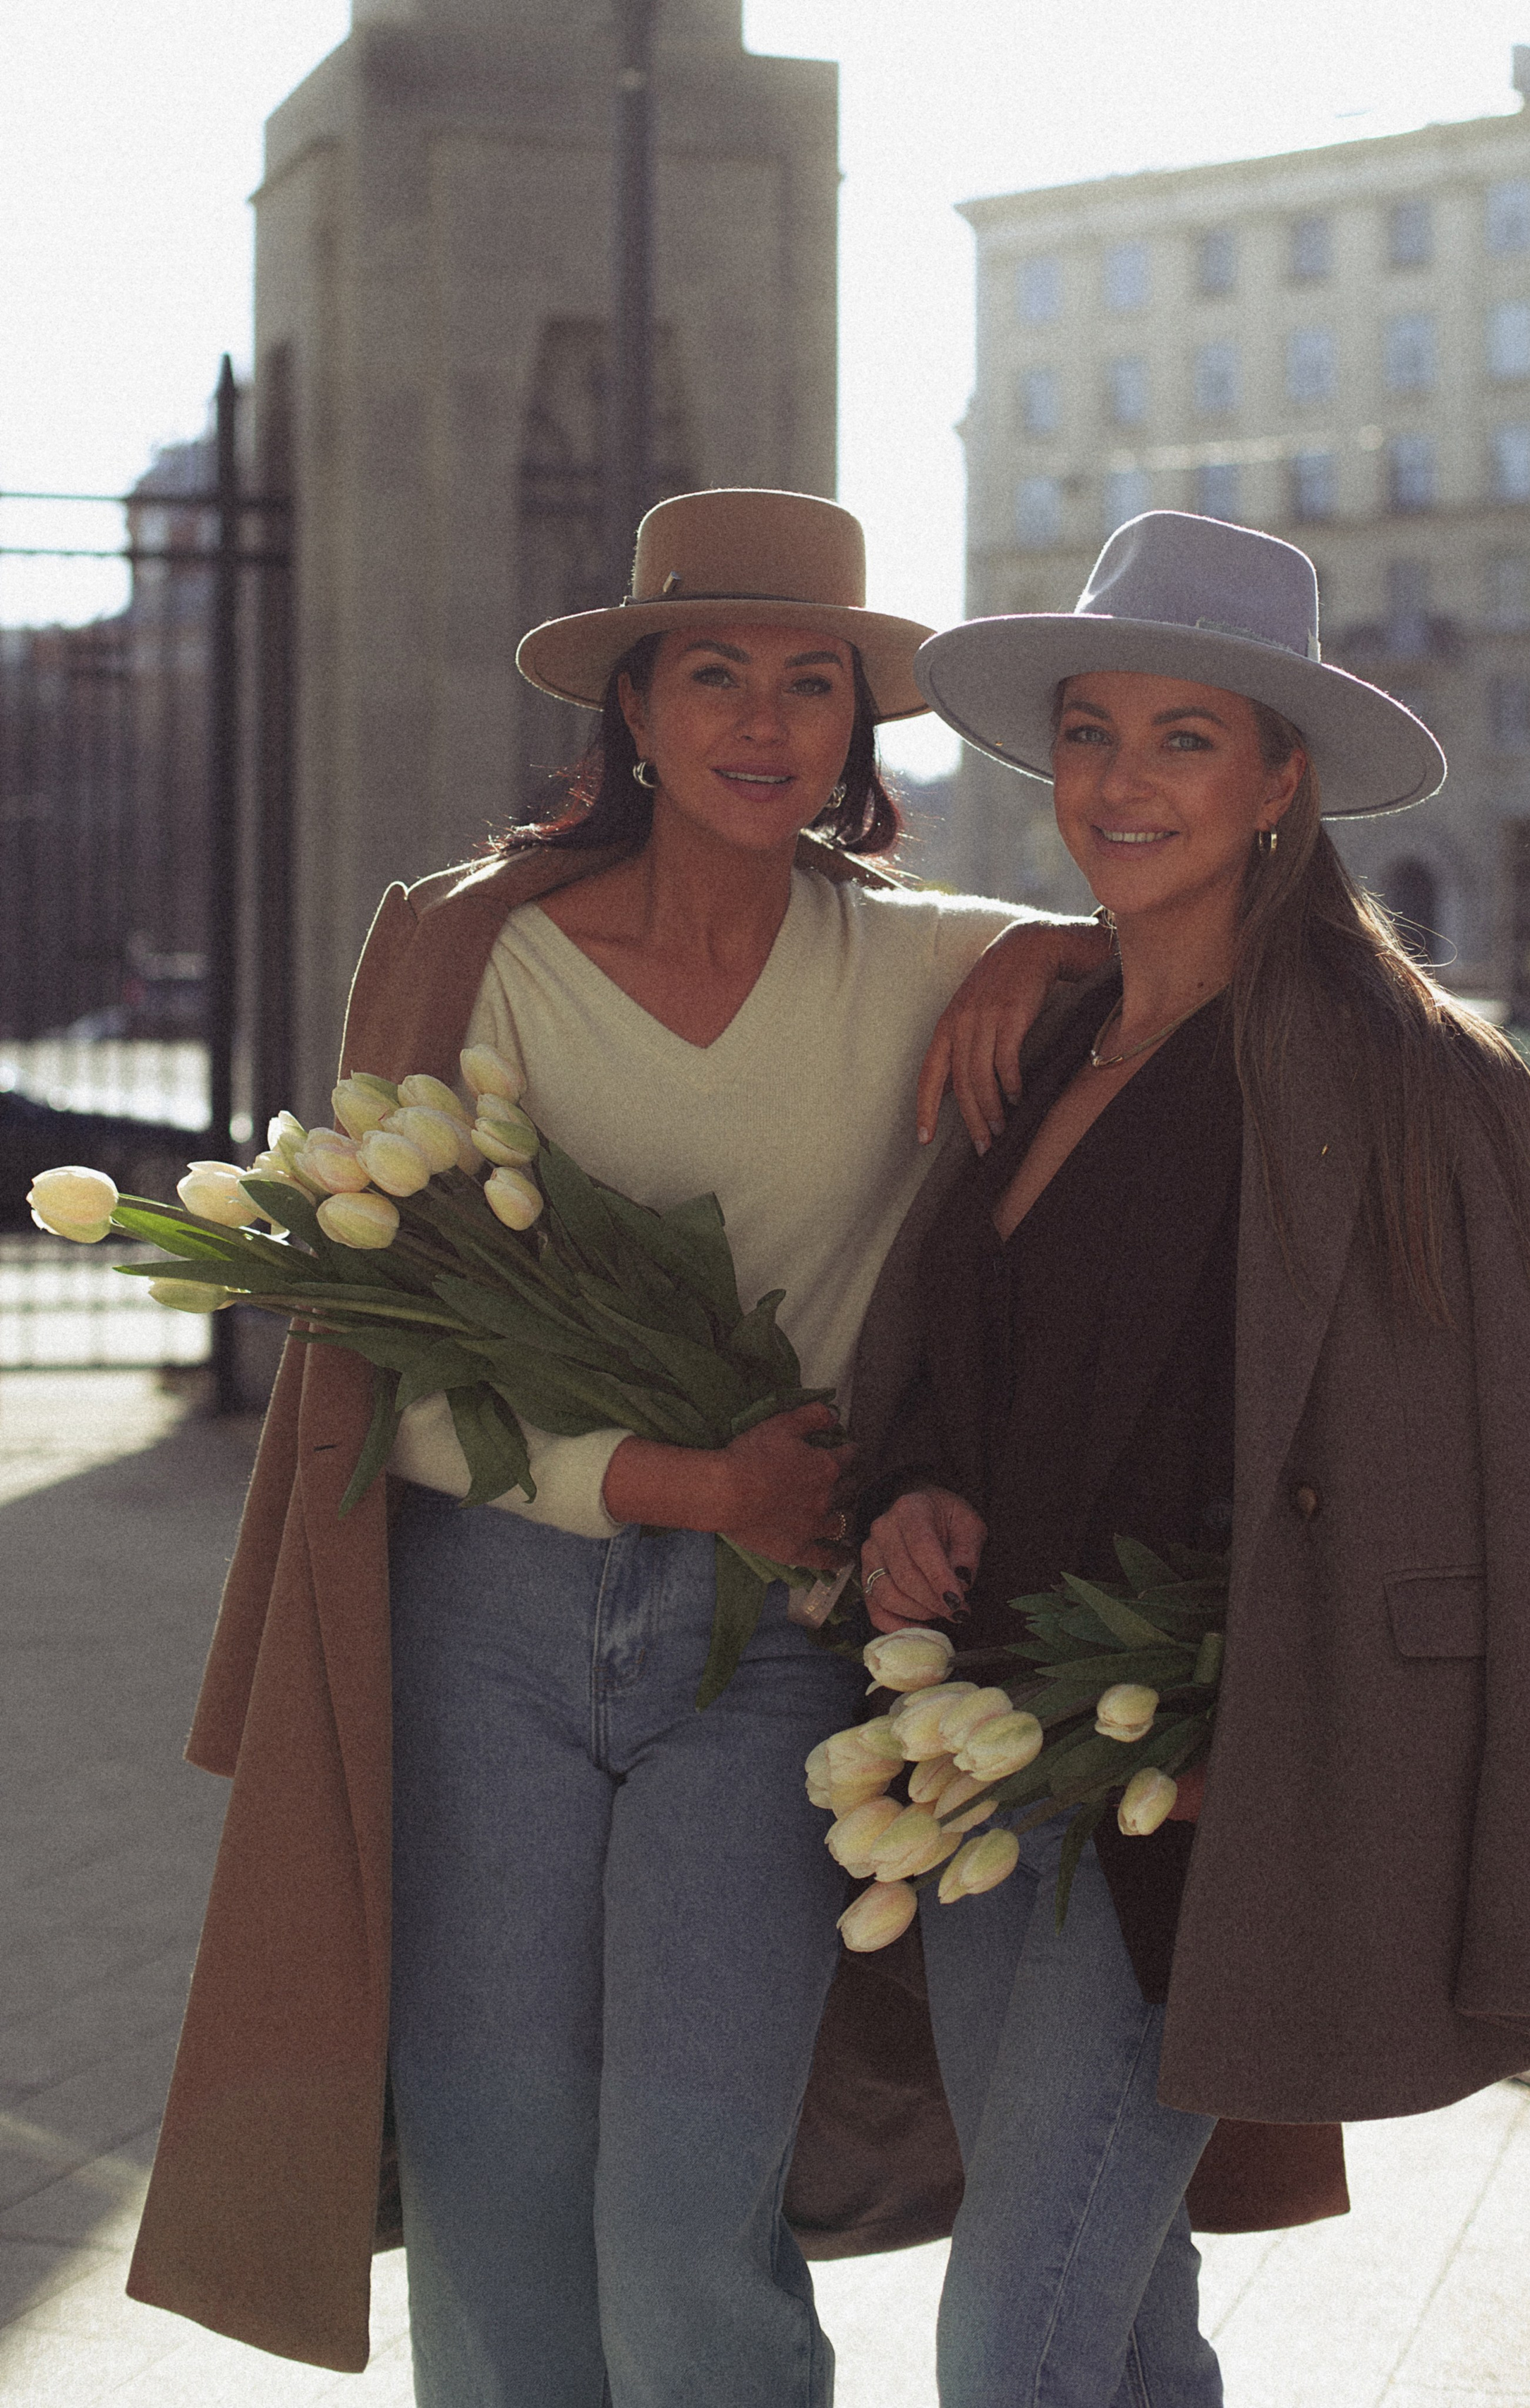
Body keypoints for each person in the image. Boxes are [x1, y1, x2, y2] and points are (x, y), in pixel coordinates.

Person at [124, 488, 1114, 2402]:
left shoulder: (915, 958)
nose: (765, 720)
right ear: (635, 712)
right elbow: (377, 1364)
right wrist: (678, 1483)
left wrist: (1040, 955)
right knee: (498, 2190)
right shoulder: (477, 956)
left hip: (767, 1655)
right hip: (489, 1622)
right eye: (716, 673)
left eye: (811, 682)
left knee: (686, 2211)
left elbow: (1195, 935)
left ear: (856, 729)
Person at [852, 511, 1530, 2408]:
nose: (1119, 784)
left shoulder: (1417, 1088)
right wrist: (903, 1504)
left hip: (1225, 1799)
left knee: (1019, 2340)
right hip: (976, 1759)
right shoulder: (1043, 1046)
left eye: (1183, 739)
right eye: (1089, 734)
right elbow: (952, 1378)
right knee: (1118, 2327)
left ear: (1282, 774)